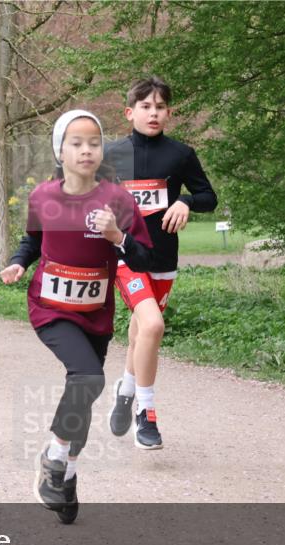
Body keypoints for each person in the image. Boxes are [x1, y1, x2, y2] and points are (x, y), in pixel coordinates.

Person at [0, 110, 153, 523]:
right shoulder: (43, 198)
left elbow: (143, 257)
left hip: (95, 315)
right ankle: (54, 457)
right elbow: (31, 241)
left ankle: (65, 472)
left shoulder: (117, 201)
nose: (86, 150)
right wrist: (18, 263)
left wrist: (117, 237)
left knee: (82, 392)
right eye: (76, 143)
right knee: (88, 378)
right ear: (60, 150)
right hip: (50, 309)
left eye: (94, 142)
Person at [105, 76, 218, 450]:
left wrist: (185, 201)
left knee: (141, 332)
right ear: (129, 112)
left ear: (169, 112)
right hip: (124, 257)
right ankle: (146, 413)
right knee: (153, 325)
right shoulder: (112, 155)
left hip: (163, 258)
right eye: (145, 106)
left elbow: (208, 196)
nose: (153, 113)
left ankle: (125, 388)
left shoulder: (180, 155)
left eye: (160, 107)